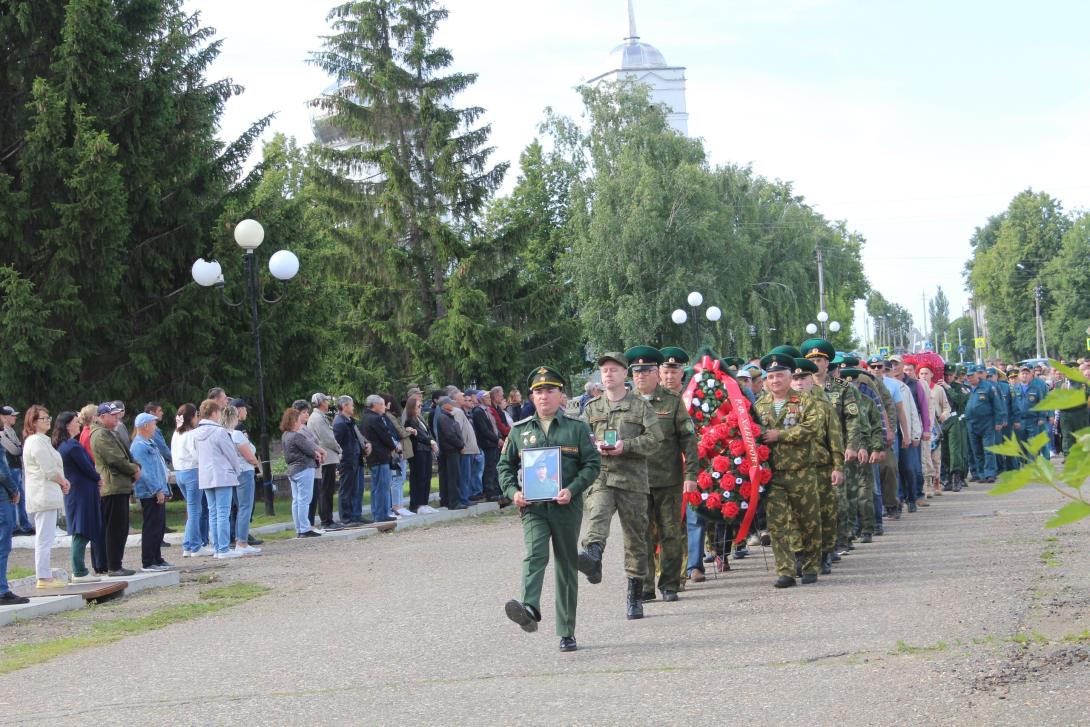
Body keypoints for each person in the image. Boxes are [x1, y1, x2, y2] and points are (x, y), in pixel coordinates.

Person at [500, 365, 601, 653]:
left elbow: (592, 464)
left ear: (561, 396)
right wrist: (513, 492)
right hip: (533, 508)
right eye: (538, 391)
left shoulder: (576, 428)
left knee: (566, 565)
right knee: (535, 554)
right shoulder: (519, 431)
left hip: (566, 506)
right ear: (531, 397)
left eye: (550, 391)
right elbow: (504, 467)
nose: (544, 396)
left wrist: (573, 489)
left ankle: (567, 631)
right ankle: (529, 608)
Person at [577, 352, 663, 620]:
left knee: (636, 539)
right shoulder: (591, 408)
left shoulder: (640, 406)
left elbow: (655, 439)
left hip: (632, 480)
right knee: (597, 516)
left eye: (614, 369)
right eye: (604, 370)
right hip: (601, 476)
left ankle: (635, 595)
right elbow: (580, 439)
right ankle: (592, 559)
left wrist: (626, 446)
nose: (608, 374)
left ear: (624, 374)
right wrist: (593, 446)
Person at [623, 346, 697, 602]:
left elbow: (688, 440)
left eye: (645, 372)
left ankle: (669, 584)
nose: (640, 377)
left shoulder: (672, 402)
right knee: (640, 535)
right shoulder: (624, 403)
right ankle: (644, 586)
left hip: (668, 479)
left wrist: (691, 476)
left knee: (670, 533)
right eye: (635, 372)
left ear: (656, 373)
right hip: (635, 481)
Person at [753, 352, 822, 588]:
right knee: (777, 524)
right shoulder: (759, 405)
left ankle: (811, 566)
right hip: (772, 475)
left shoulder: (804, 401)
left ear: (789, 376)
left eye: (779, 375)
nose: (775, 380)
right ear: (765, 380)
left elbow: (813, 428)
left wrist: (780, 435)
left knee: (808, 521)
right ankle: (786, 570)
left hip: (801, 471)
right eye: (770, 376)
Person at [90, 402, 141, 575]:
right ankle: (113, 565)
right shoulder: (100, 435)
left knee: (120, 527)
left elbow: (126, 454)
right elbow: (115, 459)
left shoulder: (110, 432)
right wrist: (133, 469)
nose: (117, 417)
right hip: (112, 485)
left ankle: (115, 563)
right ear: (102, 417)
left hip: (119, 484)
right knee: (115, 528)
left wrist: (135, 465)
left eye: (117, 414)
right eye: (112, 415)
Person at [23, 405, 71, 588]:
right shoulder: (35, 441)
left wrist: (62, 481)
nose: (48, 420)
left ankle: (45, 574)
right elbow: (49, 469)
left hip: (49, 494)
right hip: (42, 495)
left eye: (48, 417)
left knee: (47, 537)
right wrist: (63, 481)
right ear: (33, 422)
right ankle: (43, 577)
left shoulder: (43, 440)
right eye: (43, 418)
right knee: (44, 537)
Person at [55, 411, 103, 583]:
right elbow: (87, 467)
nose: (78, 424)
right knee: (81, 530)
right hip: (81, 492)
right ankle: (79, 570)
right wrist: (98, 478)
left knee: (80, 529)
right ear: (67, 425)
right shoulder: (72, 446)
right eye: (76, 422)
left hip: (78, 491)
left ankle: (80, 569)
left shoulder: (64, 445)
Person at [192, 399, 243, 558]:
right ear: (214, 413)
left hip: (206, 476)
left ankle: (217, 546)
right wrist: (237, 469)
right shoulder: (219, 432)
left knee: (213, 512)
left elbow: (195, 454)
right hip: (222, 474)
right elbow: (231, 454)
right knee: (223, 513)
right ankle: (223, 548)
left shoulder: (195, 433)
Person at [130, 412, 173, 571]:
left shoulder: (149, 442)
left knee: (159, 525)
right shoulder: (140, 445)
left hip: (157, 489)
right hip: (150, 492)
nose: (156, 427)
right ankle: (148, 561)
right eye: (153, 424)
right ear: (146, 425)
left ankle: (157, 558)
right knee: (151, 526)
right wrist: (157, 490)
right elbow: (145, 472)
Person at [221, 406, 261, 554]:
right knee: (245, 507)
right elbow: (249, 456)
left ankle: (239, 539)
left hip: (233, 473)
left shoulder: (222, 433)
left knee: (239, 507)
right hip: (244, 471)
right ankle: (242, 542)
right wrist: (256, 463)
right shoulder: (237, 434)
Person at [172, 404, 210, 557]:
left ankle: (188, 544)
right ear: (192, 417)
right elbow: (196, 456)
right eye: (197, 416)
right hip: (192, 472)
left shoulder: (176, 434)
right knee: (196, 510)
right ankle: (195, 546)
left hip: (180, 472)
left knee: (192, 508)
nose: (198, 418)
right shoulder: (192, 434)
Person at [281, 407, 324, 537]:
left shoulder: (285, 435)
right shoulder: (297, 436)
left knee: (296, 500)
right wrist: (317, 454)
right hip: (304, 468)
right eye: (299, 419)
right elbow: (310, 450)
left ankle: (299, 528)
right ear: (294, 420)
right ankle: (305, 528)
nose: (300, 422)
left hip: (292, 470)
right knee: (304, 500)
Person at [307, 393, 344, 530]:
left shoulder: (319, 417)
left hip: (328, 457)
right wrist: (340, 449)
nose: (328, 403)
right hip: (326, 458)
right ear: (321, 402)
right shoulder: (317, 418)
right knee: (326, 490)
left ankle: (328, 519)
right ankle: (326, 520)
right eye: (326, 401)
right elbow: (328, 438)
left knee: (328, 489)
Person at [965, 365, 1007, 483]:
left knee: (988, 449)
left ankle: (990, 473)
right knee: (976, 450)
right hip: (971, 423)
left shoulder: (988, 387)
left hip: (987, 422)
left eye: (972, 375)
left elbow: (997, 404)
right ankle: (981, 474)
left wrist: (999, 421)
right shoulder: (966, 388)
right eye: (968, 376)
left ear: (977, 375)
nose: (970, 378)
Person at [360, 395, 397, 524]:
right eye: (381, 405)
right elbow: (385, 435)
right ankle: (382, 514)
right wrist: (394, 447)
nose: (384, 407)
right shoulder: (376, 418)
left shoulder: (365, 417)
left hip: (373, 456)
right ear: (374, 405)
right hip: (380, 456)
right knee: (382, 487)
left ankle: (377, 513)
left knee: (376, 487)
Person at [1, 448, 30, 604]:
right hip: (1, 499)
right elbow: (3, 471)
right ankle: (2, 591)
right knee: (2, 546)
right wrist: (14, 490)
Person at [0, 404, 33, 535]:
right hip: (10, 468)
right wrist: (22, 447)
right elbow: (14, 450)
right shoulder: (2, 432)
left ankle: (23, 524)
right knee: (14, 497)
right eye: (12, 415)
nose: (15, 418)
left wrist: (21, 447)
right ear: (5, 417)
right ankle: (14, 526)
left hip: (15, 467)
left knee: (21, 497)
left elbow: (18, 448)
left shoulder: (11, 431)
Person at [404, 396, 438, 513]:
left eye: (421, 406)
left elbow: (427, 432)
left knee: (427, 476)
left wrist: (432, 441)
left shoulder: (420, 418)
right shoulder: (410, 420)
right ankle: (416, 505)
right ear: (412, 408)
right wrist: (430, 441)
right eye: (418, 406)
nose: (420, 408)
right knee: (419, 478)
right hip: (418, 451)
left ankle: (424, 502)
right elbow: (419, 436)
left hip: (426, 450)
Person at [382, 394, 414, 518]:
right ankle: (396, 506)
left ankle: (399, 504)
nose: (390, 404)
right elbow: (396, 432)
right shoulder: (387, 417)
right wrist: (406, 432)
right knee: (396, 479)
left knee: (400, 479)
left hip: (399, 449)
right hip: (395, 450)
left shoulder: (390, 416)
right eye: (388, 402)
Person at [1012, 364, 1052, 459]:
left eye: (1027, 373)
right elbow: (1011, 405)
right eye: (1023, 373)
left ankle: (1039, 463)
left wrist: (1046, 416)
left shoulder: (1039, 385)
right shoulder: (1014, 388)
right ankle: (1024, 465)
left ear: (1031, 373)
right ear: (1019, 375)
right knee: (1021, 445)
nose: (1025, 375)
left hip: (1033, 420)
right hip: (1019, 421)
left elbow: (1045, 400)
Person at [434, 395, 466, 509]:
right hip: (451, 451)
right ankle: (454, 502)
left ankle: (449, 501)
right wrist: (461, 445)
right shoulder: (443, 418)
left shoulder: (448, 417)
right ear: (444, 406)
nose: (452, 405)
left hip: (453, 450)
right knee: (453, 477)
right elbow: (450, 435)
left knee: (452, 477)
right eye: (450, 403)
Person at [471, 390, 501, 501]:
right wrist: (497, 439)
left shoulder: (486, 410)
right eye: (487, 397)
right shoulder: (478, 411)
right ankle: (489, 492)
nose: (489, 399)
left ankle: (494, 489)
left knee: (493, 468)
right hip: (487, 444)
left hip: (492, 443)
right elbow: (484, 430)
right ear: (481, 399)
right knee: (489, 468)